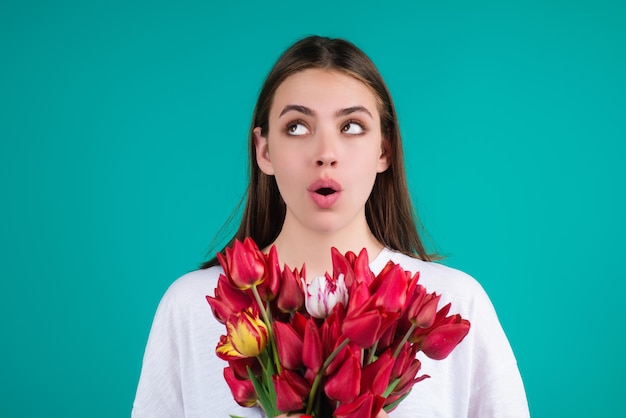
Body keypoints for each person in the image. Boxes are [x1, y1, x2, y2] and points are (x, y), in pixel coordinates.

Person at [132, 35, 529, 417]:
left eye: (351, 126)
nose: (325, 154)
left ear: (384, 150)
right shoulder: (188, 307)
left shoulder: (454, 302)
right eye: (298, 127)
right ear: (264, 151)